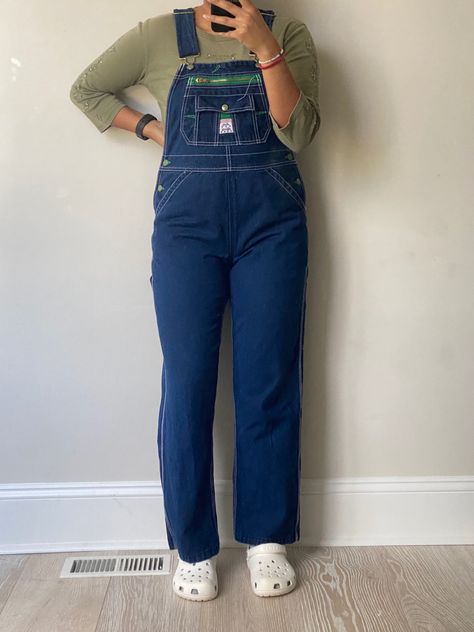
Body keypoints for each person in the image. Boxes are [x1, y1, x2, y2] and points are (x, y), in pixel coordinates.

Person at [70, 0, 321, 602]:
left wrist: (266, 49)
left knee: (268, 381)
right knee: (186, 386)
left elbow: (301, 130)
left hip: (272, 231)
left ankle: (266, 539)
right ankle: (194, 547)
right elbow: (88, 90)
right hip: (186, 234)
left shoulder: (287, 32)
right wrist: (155, 130)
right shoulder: (159, 36)